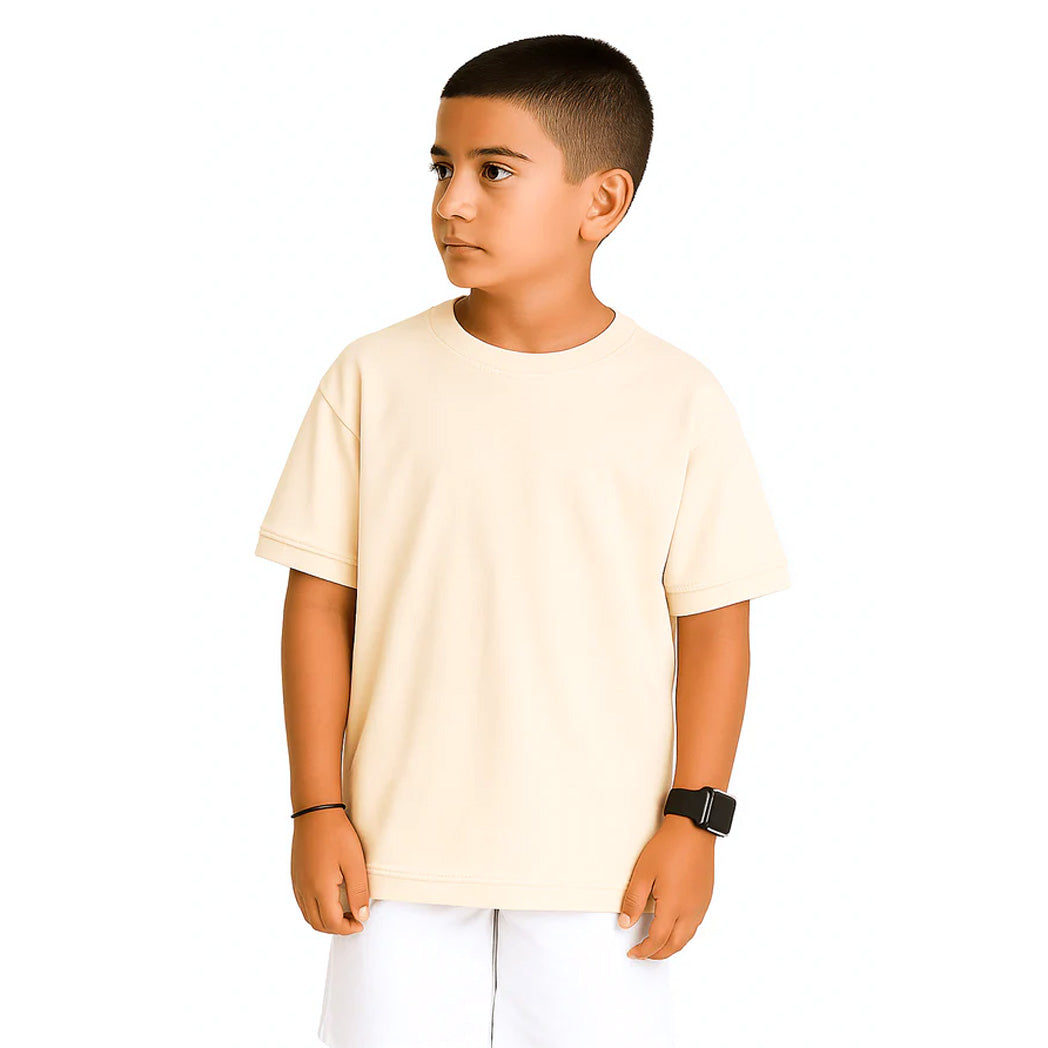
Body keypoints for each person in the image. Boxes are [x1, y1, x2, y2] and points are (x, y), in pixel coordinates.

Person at [254, 33, 790, 1048]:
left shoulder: (677, 398)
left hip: (603, 865)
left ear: (602, 201)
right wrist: (315, 808)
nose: (452, 202)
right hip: (392, 856)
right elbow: (319, 603)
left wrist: (697, 820)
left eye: (494, 171)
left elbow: (716, 624)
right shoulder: (372, 378)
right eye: (441, 168)